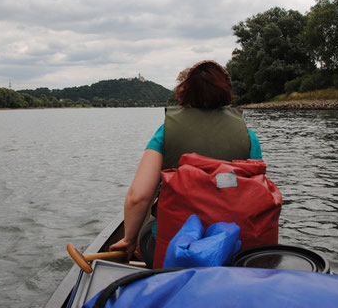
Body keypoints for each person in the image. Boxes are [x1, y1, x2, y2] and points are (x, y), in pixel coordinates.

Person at [109, 60, 262, 267]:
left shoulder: (165, 133)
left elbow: (139, 197)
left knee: (146, 229)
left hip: (171, 254)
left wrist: (128, 241)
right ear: (226, 93)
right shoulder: (248, 137)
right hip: (230, 252)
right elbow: (258, 197)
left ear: (185, 93)